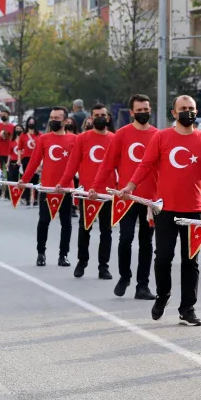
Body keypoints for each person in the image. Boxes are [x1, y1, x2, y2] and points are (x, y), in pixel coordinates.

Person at [122, 95, 201, 326]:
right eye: (183, 109)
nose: (188, 112)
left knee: (191, 261)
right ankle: (162, 295)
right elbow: (146, 164)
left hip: (194, 210)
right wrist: (130, 185)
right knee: (163, 257)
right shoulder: (162, 137)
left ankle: (187, 308)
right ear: (174, 113)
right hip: (165, 209)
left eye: (191, 108)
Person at [89, 95, 158, 300]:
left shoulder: (158, 135)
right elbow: (107, 164)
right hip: (125, 197)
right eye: (139, 110)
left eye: (146, 109)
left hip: (149, 200)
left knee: (147, 243)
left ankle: (142, 285)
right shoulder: (122, 134)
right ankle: (124, 276)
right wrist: (95, 187)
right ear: (131, 113)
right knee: (125, 238)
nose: (143, 113)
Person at [59, 104, 115, 279]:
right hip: (87, 192)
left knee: (106, 230)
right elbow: (72, 164)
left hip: (107, 193)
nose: (99, 117)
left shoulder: (115, 138)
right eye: (96, 114)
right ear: (90, 118)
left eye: (103, 115)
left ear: (108, 118)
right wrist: (63, 182)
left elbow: (121, 166)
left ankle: (103, 267)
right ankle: (82, 262)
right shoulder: (82, 139)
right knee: (85, 228)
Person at [19, 106, 76, 267]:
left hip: (65, 188)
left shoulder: (74, 139)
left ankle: (63, 255)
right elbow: (34, 161)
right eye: (52, 117)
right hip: (47, 188)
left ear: (65, 121)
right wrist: (24, 180)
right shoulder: (44, 139)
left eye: (57, 118)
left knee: (66, 223)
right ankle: (41, 253)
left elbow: (77, 164)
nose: (53, 121)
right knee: (44, 221)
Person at [16, 117, 41, 205]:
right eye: (29, 122)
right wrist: (19, 159)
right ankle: (26, 198)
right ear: (27, 123)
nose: (31, 123)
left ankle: (35, 199)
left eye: (33, 122)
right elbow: (19, 148)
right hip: (26, 159)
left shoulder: (40, 135)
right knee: (26, 178)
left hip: (36, 159)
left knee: (35, 179)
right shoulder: (23, 135)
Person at [0, 109, 15, 200]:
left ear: (8, 115)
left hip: (9, 153)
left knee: (10, 174)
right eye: (2, 114)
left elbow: (13, 139)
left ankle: (8, 194)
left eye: (5, 114)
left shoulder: (12, 126)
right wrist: (1, 136)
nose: (3, 115)